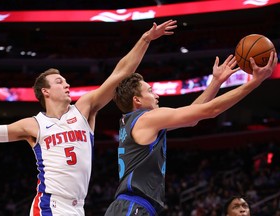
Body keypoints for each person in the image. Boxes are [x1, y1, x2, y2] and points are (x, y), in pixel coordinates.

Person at [0, 20, 177, 215]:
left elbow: (121, 73)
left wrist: (145, 39)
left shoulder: (83, 109)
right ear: (45, 91)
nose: (67, 84)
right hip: (49, 204)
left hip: (78, 207)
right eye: (59, 82)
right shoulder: (34, 124)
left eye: (65, 81)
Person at [104, 51, 278, 216]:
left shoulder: (133, 123)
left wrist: (216, 82)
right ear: (137, 100)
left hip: (131, 206)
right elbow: (211, 110)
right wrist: (255, 81)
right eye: (150, 91)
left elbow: (191, 118)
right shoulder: (147, 119)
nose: (156, 95)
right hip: (133, 207)